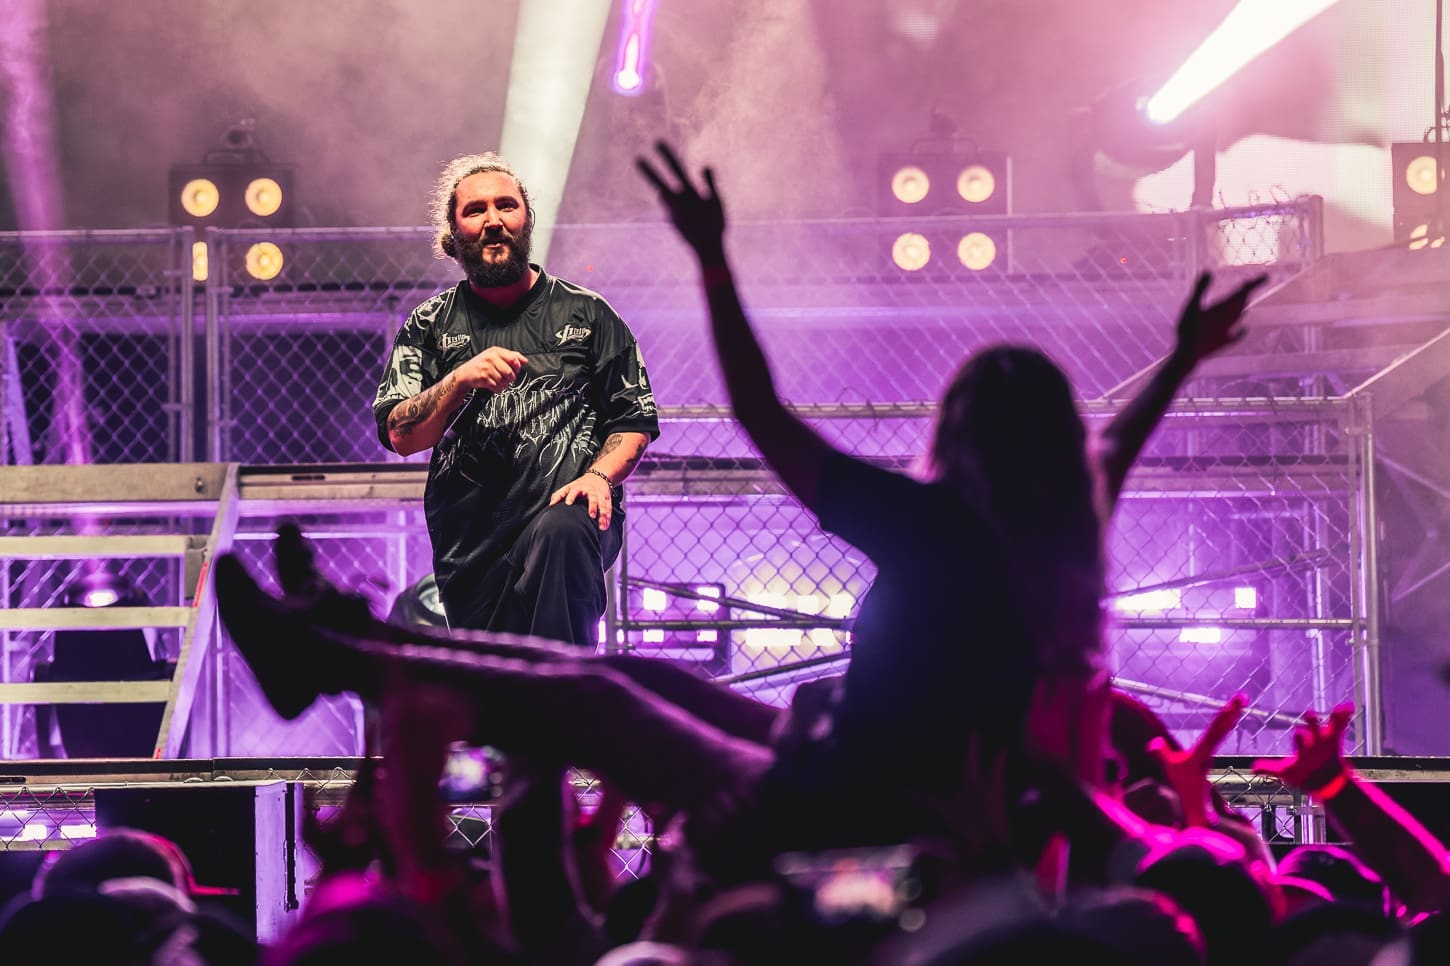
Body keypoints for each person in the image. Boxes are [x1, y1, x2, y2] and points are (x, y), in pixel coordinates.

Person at [635, 141, 1267, 844]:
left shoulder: (926, 527)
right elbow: (1116, 445)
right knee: (775, 706)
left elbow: (761, 414)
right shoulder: (1069, 529)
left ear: (957, 433)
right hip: (1007, 815)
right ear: (1065, 442)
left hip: (863, 805)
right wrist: (1182, 358)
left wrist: (713, 261)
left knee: (618, 687)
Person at [372, 152, 660, 646]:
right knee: (497, 682)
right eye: (475, 210)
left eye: (506, 206)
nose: (493, 220)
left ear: (526, 219)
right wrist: (458, 380)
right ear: (453, 233)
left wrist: (597, 477)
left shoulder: (589, 314)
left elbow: (632, 419)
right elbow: (400, 434)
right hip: (472, 542)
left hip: (568, 513)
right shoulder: (429, 325)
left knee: (562, 531)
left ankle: (567, 687)